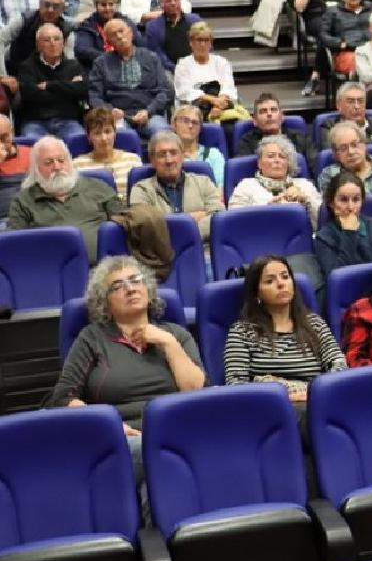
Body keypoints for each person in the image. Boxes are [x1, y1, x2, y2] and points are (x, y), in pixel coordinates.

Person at [49, 256, 204, 443]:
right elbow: (63, 397)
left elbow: (196, 391)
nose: (130, 289)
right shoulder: (91, 338)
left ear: (148, 289)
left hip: (177, 428)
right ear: (105, 302)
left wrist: (169, 343)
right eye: (117, 286)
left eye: (136, 280)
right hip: (121, 435)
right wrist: (108, 426)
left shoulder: (175, 334)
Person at [224, 254, 347, 396]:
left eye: (285, 277)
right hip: (268, 408)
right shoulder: (242, 332)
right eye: (270, 281)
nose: (281, 284)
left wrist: (315, 395)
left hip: (315, 404)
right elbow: (235, 384)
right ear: (257, 294)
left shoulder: (314, 324)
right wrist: (287, 397)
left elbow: (339, 364)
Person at [9, 136, 124, 262]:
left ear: (70, 161)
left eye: (61, 160)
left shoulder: (98, 187)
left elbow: (124, 223)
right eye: (48, 163)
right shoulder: (24, 200)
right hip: (50, 272)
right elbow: (15, 245)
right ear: (36, 169)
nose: (57, 167)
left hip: (104, 270)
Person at [88, 18, 172, 141]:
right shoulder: (101, 63)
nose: (120, 37)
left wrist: (149, 111)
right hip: (118, 116)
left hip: (149, 114)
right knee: (123, 137)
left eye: (121, 31)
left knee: (164, 135)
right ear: (108, 41)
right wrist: (110, 111)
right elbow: (94, 96)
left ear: (131, 32)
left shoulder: (151, 57)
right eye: (113, 35)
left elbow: (164, 91)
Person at [129, 131, 223, 240]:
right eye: (162, 155)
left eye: (173, 153)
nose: (169, 160)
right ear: (152, 161)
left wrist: (167, 226)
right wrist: (190, 218)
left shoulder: (204, 182)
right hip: (160, 254)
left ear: (182, 156)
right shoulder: (141, 190)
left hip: (204, 250)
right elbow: (143, 227)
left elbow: (218, 219)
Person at [314, 172, 372, 278]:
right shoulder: (323, 237)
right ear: (331, 203)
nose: (350, 207)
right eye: (343, 200)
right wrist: (349, 233)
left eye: (356, 199)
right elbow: (338, 278)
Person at [287, 0, 342, 97]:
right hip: (313, 17)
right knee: (326, 31)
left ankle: (317, 75)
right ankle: (321, 75)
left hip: (335, 12)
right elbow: (299, 7)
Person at [229, 135, 321, 228]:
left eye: (282, 157)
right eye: (271, 156)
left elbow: (321, 222)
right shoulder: (246, 186)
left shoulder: (305, 185)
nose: (277, 160)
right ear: (259, 163)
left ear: (288, 163)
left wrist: (306, 200)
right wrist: (269, 209)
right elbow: (235, 223)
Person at [17, 22, 87, 139]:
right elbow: (30, 94)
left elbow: (82, 89)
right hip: (36, 121)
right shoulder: (27, 67)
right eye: (47, 40)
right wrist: (68, 87)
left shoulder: (74, 66)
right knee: (30, 142)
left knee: (78, 140)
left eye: (57, 39)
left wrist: (49, 86)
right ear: (38, 45)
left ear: (63, 43)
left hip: (67, 120)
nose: (53, 44)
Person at [172, 21, 239, 120]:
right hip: (192, 109)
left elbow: (228, 87)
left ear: (211, 43)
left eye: (206, 40)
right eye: (199, 40)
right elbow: (184, 92)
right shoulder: (183, 64)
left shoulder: (222, 62)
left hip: (221, 107)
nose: (203, 44)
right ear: (191, 42)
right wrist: (213, 100)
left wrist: (218, 106)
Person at [71, 106, 143, 198]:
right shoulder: (77, 165)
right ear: (89, 137)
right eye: (97, 133)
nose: (104, 138)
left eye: (107, 131)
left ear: (115, 133)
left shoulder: (133, 160)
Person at [234, 91, 316, 171]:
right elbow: (243, 172)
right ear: (255, 120)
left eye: (273, 110)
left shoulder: (301, 138)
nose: (269, 114)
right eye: (263, 111)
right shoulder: (246, 142)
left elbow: (314, 170)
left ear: (282, 116)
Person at [319, 0, 372, 80]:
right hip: (348, 53)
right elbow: (323, 35)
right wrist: (339, 43)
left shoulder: (371, 9)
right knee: (361, 66)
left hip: (371, 50)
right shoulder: (333, 12)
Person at [72, 0, 138, 72]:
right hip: (100, 69)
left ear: (116, 6)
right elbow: (82, 50)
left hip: (128, 66)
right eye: (103, 5)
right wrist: (111, 58)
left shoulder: (126, 22)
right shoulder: (87, 26)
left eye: (111, 4)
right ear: (96, 6)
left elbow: (140, 44)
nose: (107, 8)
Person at [142, 0, 200, 73]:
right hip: (169, 72)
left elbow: (204, 46)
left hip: (196, 68)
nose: (173, 3)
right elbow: (158, 55)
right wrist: (178, 70)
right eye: (169, 0)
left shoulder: (195, 21)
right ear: (161, 4)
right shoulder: (152, 27)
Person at [172, 104, 225, 188]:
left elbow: (220, 187)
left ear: (200, 128)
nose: (190, 126)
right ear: (174, 125)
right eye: (185, 121)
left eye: (195, 122)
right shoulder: (168, 156)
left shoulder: (213, 154)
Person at [0, 114, 29, 223]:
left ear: (12, 133)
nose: (0, 144)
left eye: (3, 137)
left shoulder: (31, 154)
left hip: (32, 216)